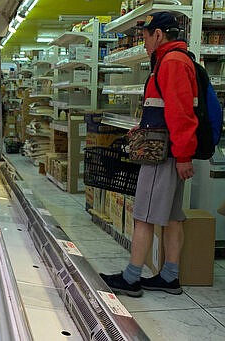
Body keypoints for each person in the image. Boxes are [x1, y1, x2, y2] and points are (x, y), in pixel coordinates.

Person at [100, 12, 199, 297]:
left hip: (162, 154)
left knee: (142, 215)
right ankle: (169, 276)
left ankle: (131, 278)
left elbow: (181, 113)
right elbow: (166, 107)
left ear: (159, 34)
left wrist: (182, 156)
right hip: (167, 147)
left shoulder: (173, 62)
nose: (142, 42)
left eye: (145, 36)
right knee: (171, 217)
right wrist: (143, 127)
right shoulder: (172, 60)